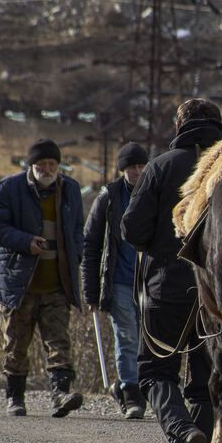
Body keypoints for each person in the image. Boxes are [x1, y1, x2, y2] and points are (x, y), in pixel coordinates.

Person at [121, 99, 222, 443]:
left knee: (153, 372)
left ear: (180, 125)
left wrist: (161, 247)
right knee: (203, 382)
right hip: (218, 290)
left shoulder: (162, 166)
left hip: (168, 284)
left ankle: (182, 434)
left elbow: (132, 229)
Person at [0, 138, 85, 418]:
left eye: (52, 163)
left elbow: (78, 229)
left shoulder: (70, 189)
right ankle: (15, 398)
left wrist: (75, 254)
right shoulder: (9, 188)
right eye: (41, 163)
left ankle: (61, 395)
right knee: (16, 345)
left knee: (59, 343)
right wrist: (26, 241)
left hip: (57, 282)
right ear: (31, 165)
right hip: (19, 283)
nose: (47, 168)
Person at [82, 142, 149, 419]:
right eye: (131, 167)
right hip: (119, 281)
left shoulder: (154, 194)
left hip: (150, 281)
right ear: (122, 169)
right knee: (127, 337)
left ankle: (139, 387)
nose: (136, 171)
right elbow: (91, 243)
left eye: (140, 166)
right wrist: (90, 290)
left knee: (150, 339)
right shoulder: (109, 197)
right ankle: (132, 394)